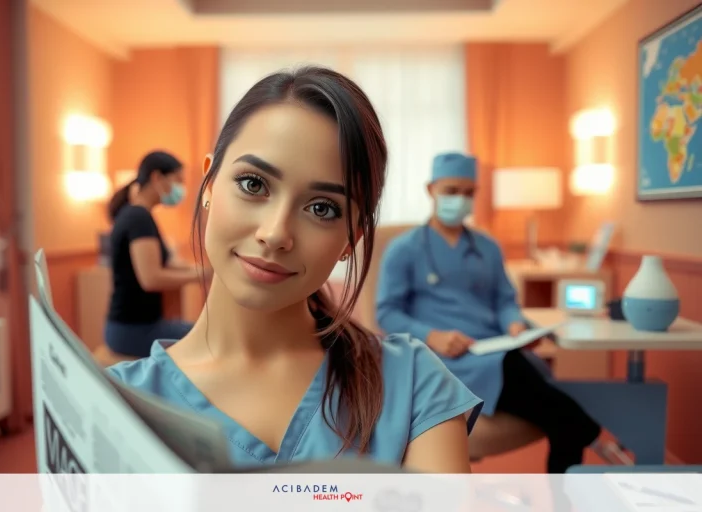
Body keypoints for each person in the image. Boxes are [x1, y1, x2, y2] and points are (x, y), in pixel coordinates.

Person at [107, 67, 483, 472]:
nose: (275, 233)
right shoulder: (114, 404)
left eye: (322, 208)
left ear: (351, 238)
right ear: (210, 186)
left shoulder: (413, 382)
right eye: (253, 184)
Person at [375, 152, 602, 474]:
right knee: (565, 418)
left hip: (495, 351)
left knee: (556, 411)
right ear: (431, 189)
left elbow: (505, 299)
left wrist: (513, 324)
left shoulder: (488, 248)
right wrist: (433, 336)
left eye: (468, 193)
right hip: (444, 361)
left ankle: (577, 445)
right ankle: (584, 438)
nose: (460, 200)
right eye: (451, 191)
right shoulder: (404, 249)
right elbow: (387, 314)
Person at [105, 150, 206, 358]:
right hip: (131, 330)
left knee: (202, 331)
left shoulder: (138, 215)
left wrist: (203, 268)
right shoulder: (138, 217)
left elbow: (167, 262)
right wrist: (202, 275)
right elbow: (151, 278)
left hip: (127, 328)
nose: (181, 189)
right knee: (207, 339)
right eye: (178, 181)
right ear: (157, 177)